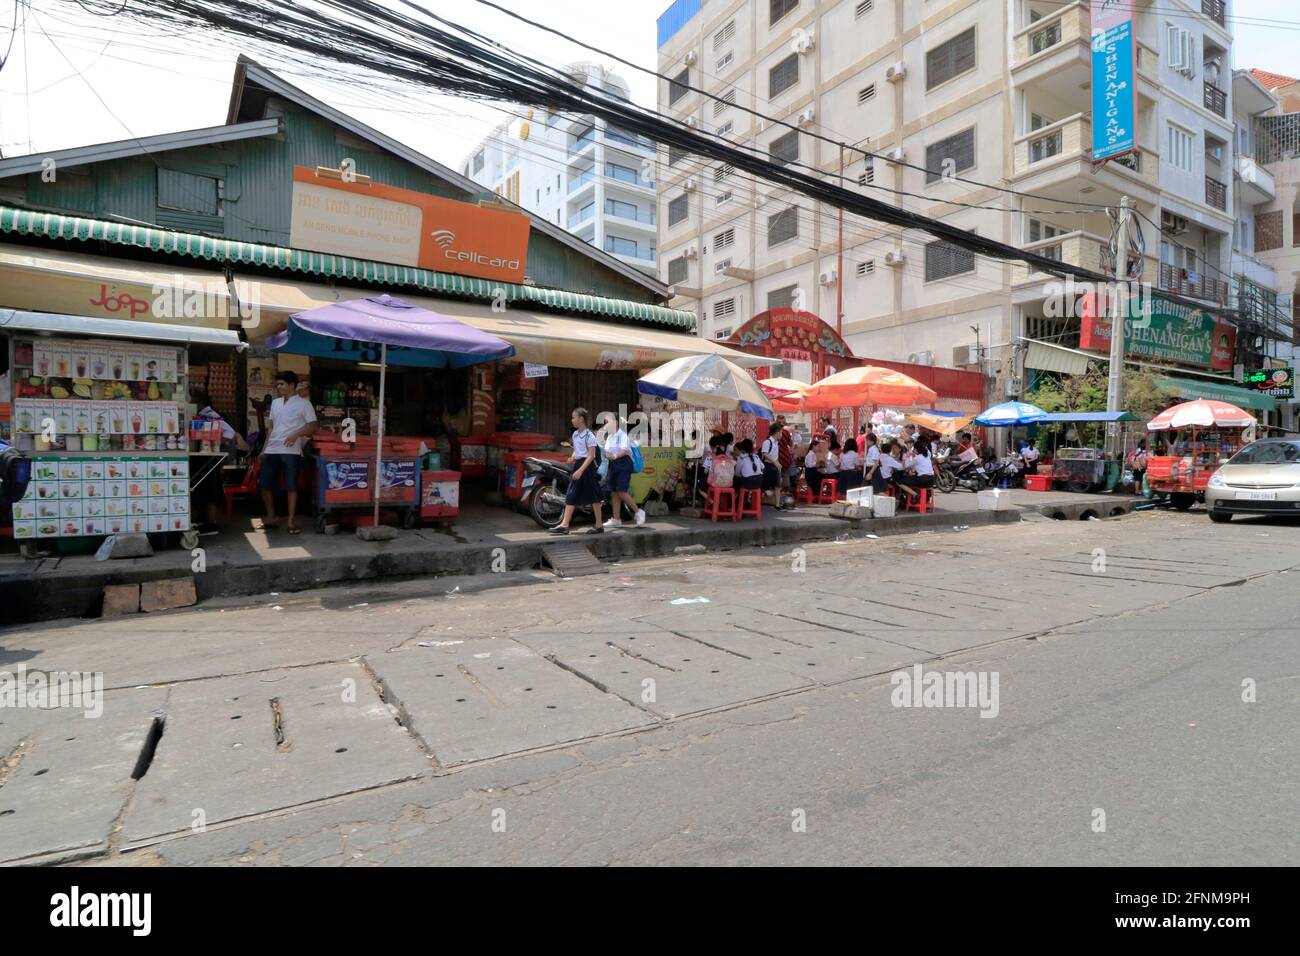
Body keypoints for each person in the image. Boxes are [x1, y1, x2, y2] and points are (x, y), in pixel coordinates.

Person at [258, 370, 318, 534]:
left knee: (291, 486)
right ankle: (272, 516)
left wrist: (296, 434)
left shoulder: (304, 404)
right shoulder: (276, 403)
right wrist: (264, 449)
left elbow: (313, 426)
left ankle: (291, 521)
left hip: (291, 451)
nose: (279, 387)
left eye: (281, 384)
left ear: (292, 385)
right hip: (272, 448)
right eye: (277, 384)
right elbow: (270, 427)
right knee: (264, 483)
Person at [191, 389, 249, 529]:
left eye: (191, 400)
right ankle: (205, 519)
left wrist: (212, 437)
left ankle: (211, 522)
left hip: (211, 457)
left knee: (210, 488)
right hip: (206, 456)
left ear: (199, 403)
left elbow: (231, 434)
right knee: (204, 488)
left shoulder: (209, 415)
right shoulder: (200, 415)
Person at [549, 407, 605, 535]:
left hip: (587, 467)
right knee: (572, 494)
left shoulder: (590, 435)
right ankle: (565, 525)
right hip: (579, 464)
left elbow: (591, 456)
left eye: (574, 417)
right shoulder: (575, 434)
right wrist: (573, 456)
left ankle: (598, 525)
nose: (572, 420)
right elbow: (578, 450)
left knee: (594, 496)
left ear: (581, 419)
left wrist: (580, 470)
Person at [599, 411, 645, 529]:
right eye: (605, 423)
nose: (605, 425)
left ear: (616, 423)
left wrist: (613, 455)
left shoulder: (622, 435)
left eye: (607, 422)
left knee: (621, 491)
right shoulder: (609, 437)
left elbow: (624, 450)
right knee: (614, 492)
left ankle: (638, 512)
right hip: (614, 465)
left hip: (624, 464)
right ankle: (616, 519)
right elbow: (607, 451)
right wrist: (607, 455)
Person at [895, 437, 935, 502]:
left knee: (899, 481)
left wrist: (908, 456)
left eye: (914, 449)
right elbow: (915, 467)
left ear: (916, 449)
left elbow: (906, 466)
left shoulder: (917, 458)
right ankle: (915, 499)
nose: (913, 450)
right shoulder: (926, 456)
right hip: (931, 480)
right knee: (910, 478)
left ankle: (915, 494)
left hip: (923, 480)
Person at [760, 421, 784, 505]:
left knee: (777, 486)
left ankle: (777, 504)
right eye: (781, 432)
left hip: (775, 466)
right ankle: (761, 501)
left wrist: (778, 464)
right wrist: (775, 462)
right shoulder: (767, 442)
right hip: (767, 466)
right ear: (777, 432)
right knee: (766, 486)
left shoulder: (776, 443)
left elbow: (775, 456)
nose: (782, 434)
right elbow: (765, 453)